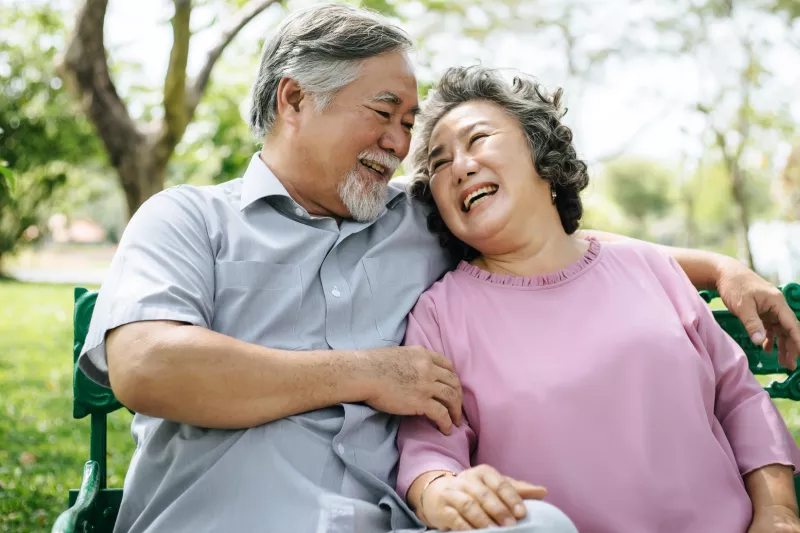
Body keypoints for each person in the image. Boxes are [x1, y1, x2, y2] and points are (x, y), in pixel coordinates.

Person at [75, 4, 800, 533]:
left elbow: (553, 246)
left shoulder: (421, 222)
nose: (400, 143)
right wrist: (366, 373)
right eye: (385, 113)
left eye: (408, 124)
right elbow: (147, 366)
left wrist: (716, 266)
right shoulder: (187, 219)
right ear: (295, 99)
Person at [395, 65, 800, 533]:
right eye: (439, 163)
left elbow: (740, 400)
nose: (460, 167)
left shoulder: (647, 266)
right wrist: (441, 490)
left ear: (541, 155)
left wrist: (779, 513)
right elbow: (430, 454)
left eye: (478, 139)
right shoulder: (439, 314)